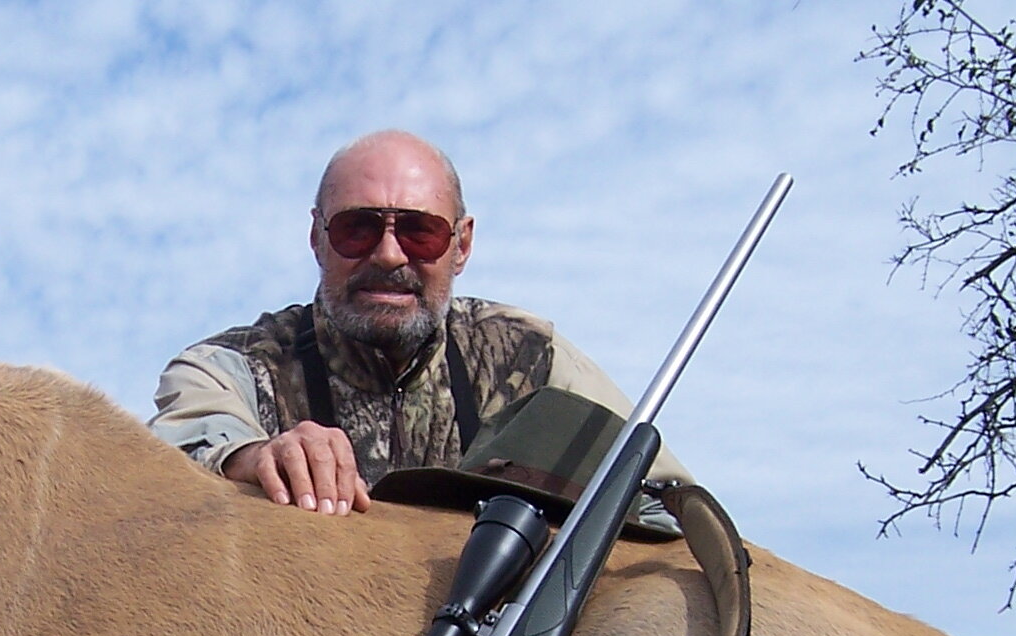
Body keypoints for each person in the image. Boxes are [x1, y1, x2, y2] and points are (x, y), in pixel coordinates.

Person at [151, 129, 686, 513]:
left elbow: (671, 504)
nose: (388, 255)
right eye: (357, 229)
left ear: (462, 244)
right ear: (317, 236)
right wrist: (254, 458)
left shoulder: (527, 356)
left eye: (420, 232)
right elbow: (169, 457)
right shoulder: (233, 368)